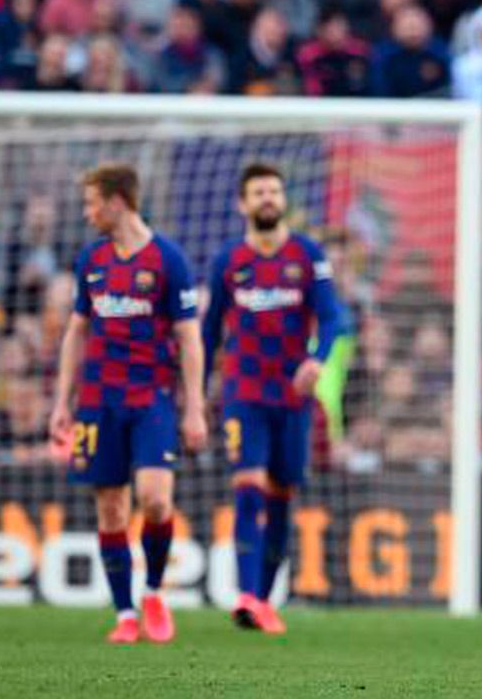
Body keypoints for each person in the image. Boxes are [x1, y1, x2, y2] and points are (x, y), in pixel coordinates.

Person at [48, 163, 206, 645]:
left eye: (92, 202)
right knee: (111, 509)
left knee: (156, 499)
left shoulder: (168, 259)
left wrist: (194, 405)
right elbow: (78, 331)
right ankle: (124, 614)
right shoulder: (91, 259)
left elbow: (190, 337)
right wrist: (62, 400)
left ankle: (154, 592)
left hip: (151, 398)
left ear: (118, 202)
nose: (87, 211)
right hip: (98, 400)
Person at [202, 163, 341, 634]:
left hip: (292, 395)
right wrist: (198, 392)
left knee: (282, 494)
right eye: (258, 192)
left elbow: (333, 318)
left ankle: (262, 599)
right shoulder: (228, 260)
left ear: (283, 201)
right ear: (243, 204)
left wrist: (317, 358)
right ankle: (244, 594)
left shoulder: (307, 254)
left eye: (274, 191)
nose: (267, 198)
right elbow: (207, 331)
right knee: (249, 487)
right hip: (244, 392)